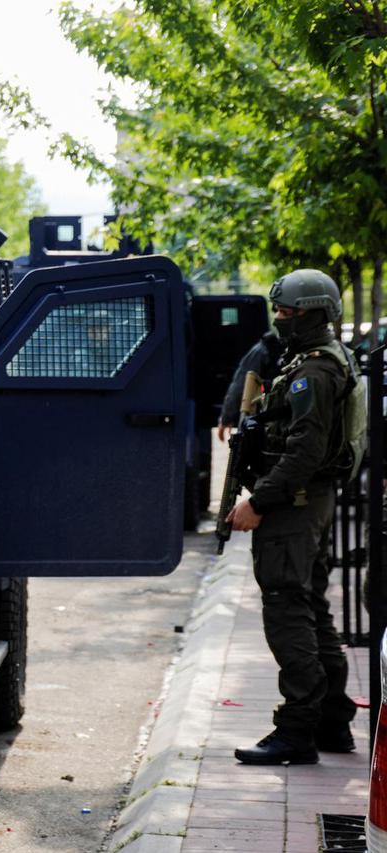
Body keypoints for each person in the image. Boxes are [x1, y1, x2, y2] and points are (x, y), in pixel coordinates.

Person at [227, 268, 359, 765]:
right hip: (306, 502)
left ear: (313, 314)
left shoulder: (315, 372)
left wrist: (258, 502)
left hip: (294, 505)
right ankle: (331, 722)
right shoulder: (314, 360)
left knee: (287, 610)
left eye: (286, 312)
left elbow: (304, 451)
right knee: (311, 609)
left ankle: (296, 731)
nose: (279, 319)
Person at [217, 330, 285, 442]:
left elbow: (239, 387)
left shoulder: (264, 349)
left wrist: (225, 419)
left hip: (262, 424)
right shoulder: (305, 349)